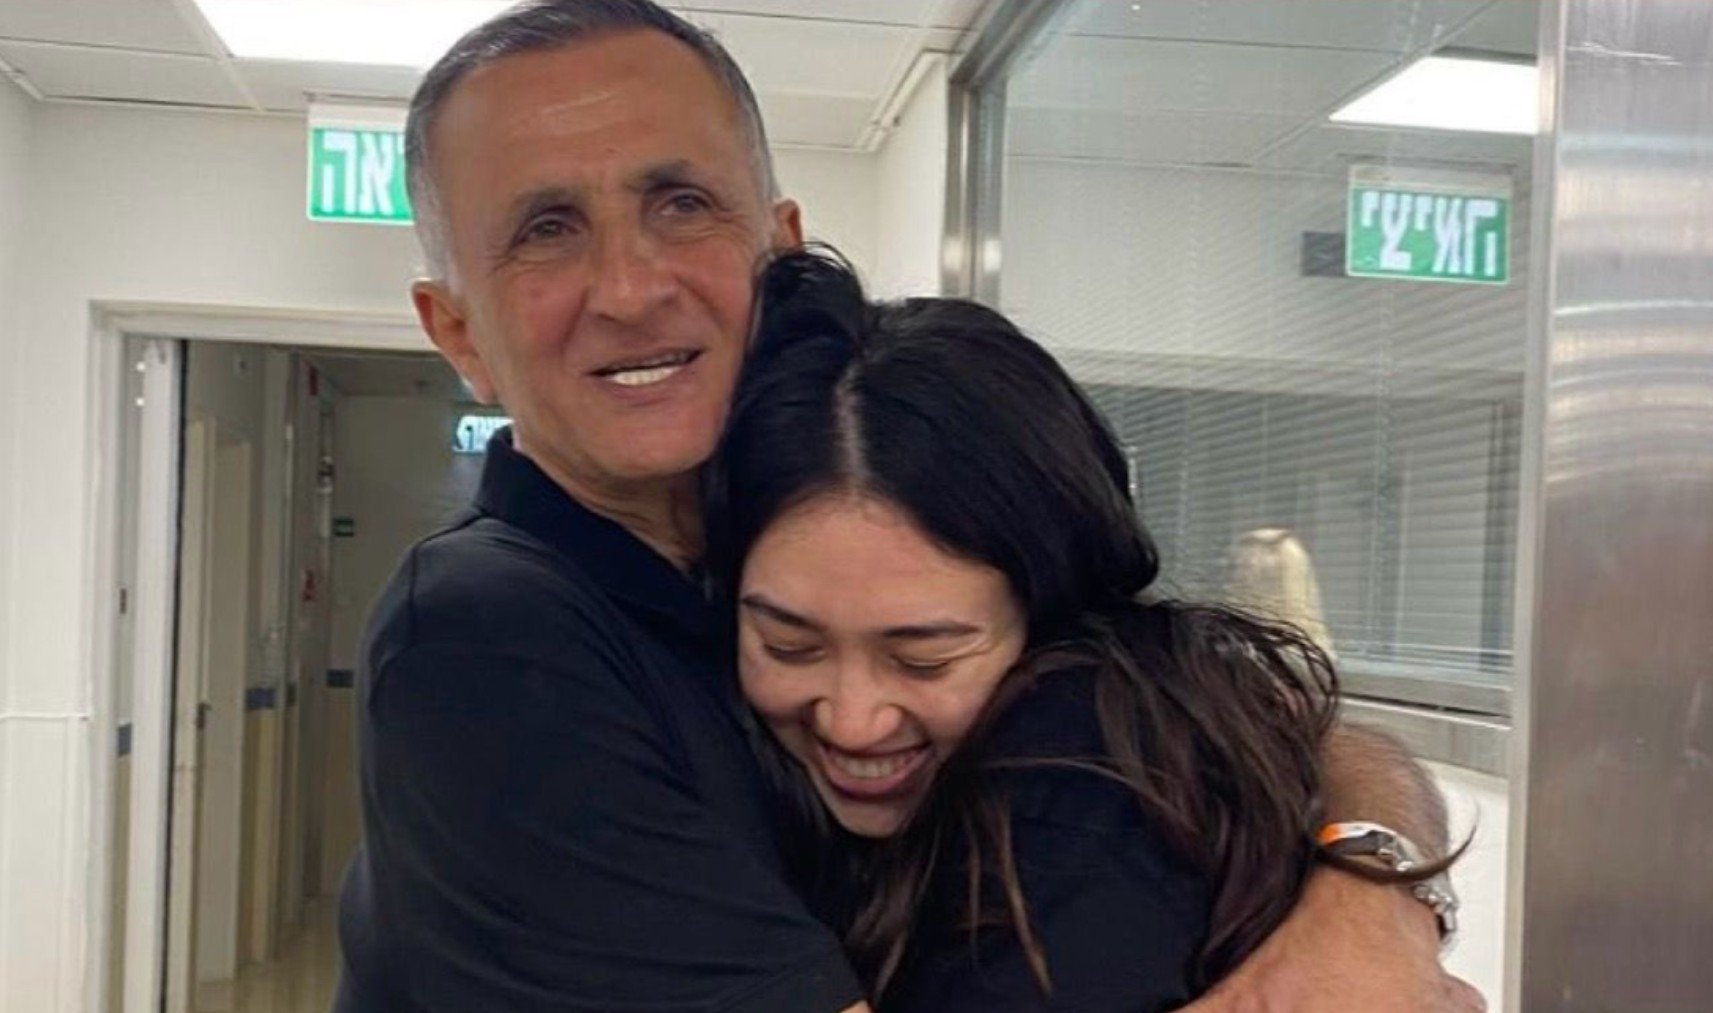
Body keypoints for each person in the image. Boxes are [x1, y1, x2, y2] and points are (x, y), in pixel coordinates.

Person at [336, 1, 1480, 1010]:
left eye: (680, 202)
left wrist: (1366, 896)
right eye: (546, 230)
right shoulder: (488, 633)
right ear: (458, 332)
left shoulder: (773, 551)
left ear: (780, 253)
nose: (632, 286)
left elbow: (1292, 724)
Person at [703, 249, 1452, 1010]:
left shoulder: (1086, 771)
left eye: (924, 657)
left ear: (1054, 601)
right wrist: (1378, 877)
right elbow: (1347, 740)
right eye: (789, 644)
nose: (852, 720)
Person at [1227, 527, 1335, 657]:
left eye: (1245, 568)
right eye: (1235, 567)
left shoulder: (1302, 653)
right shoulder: (1234, 631)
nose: (1236, 578)